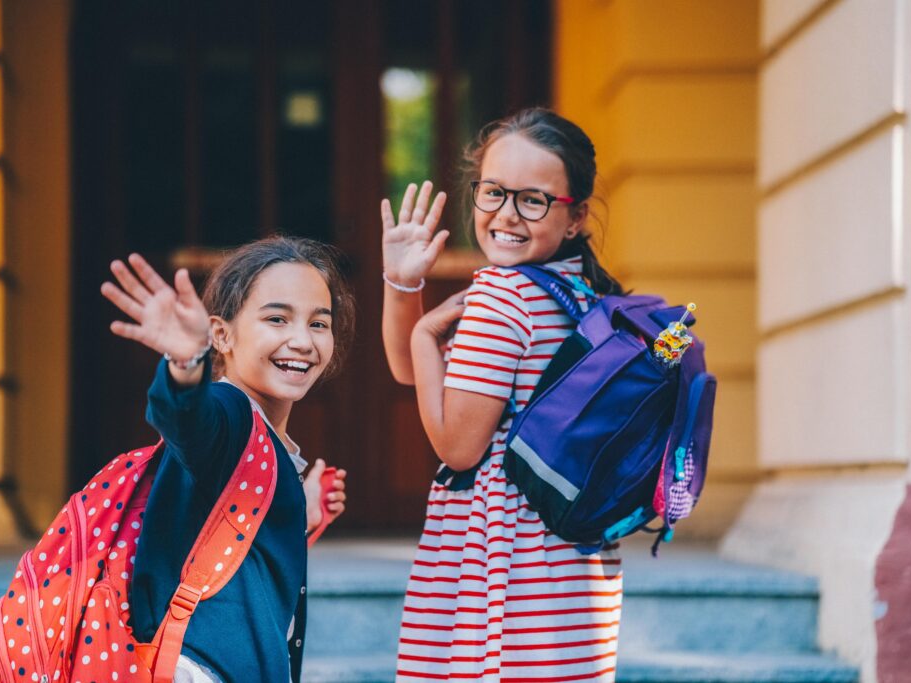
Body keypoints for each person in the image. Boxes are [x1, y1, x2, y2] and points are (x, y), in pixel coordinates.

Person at [381, 108, 625, 681]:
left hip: (503, 564)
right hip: (569, 574)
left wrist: (422, 333)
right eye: (493, 192)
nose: (506, 215)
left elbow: (458, 447)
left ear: (576, 216)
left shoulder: (503, 298)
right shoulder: (582, 294)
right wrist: (403, 286)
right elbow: (416, 376)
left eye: (533, 199)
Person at [100, 236, 353, 683]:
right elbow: (187, 419)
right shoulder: (230, 412)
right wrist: (186, 362)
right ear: (221, 335)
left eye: (319, 323)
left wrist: (299, 510)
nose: (301, 340)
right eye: (277, 318)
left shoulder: (266, 442)